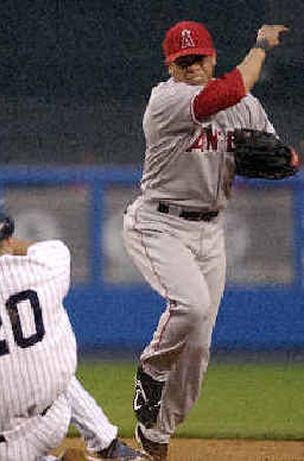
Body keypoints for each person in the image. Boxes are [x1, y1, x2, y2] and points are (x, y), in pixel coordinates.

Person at [122, 20, 289, 460]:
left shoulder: (246, 106)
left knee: (198, 347)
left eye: (199, 59)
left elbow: (277, 152)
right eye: (184, 61)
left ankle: (156, 434)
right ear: (171, 67)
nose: (193, 67)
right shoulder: (167, 99)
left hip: (210, 230)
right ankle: (152, 368)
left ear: (212, 57)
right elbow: (224, 94)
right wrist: (260, 47)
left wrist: (286, 159)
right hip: (159, 223)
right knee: (190, 305)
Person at [0, 193, 147, 461]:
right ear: (2, 231)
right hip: (51, 420)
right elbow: (35, 249)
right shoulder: (47, 265)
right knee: (50, 365)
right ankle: (109, 446)